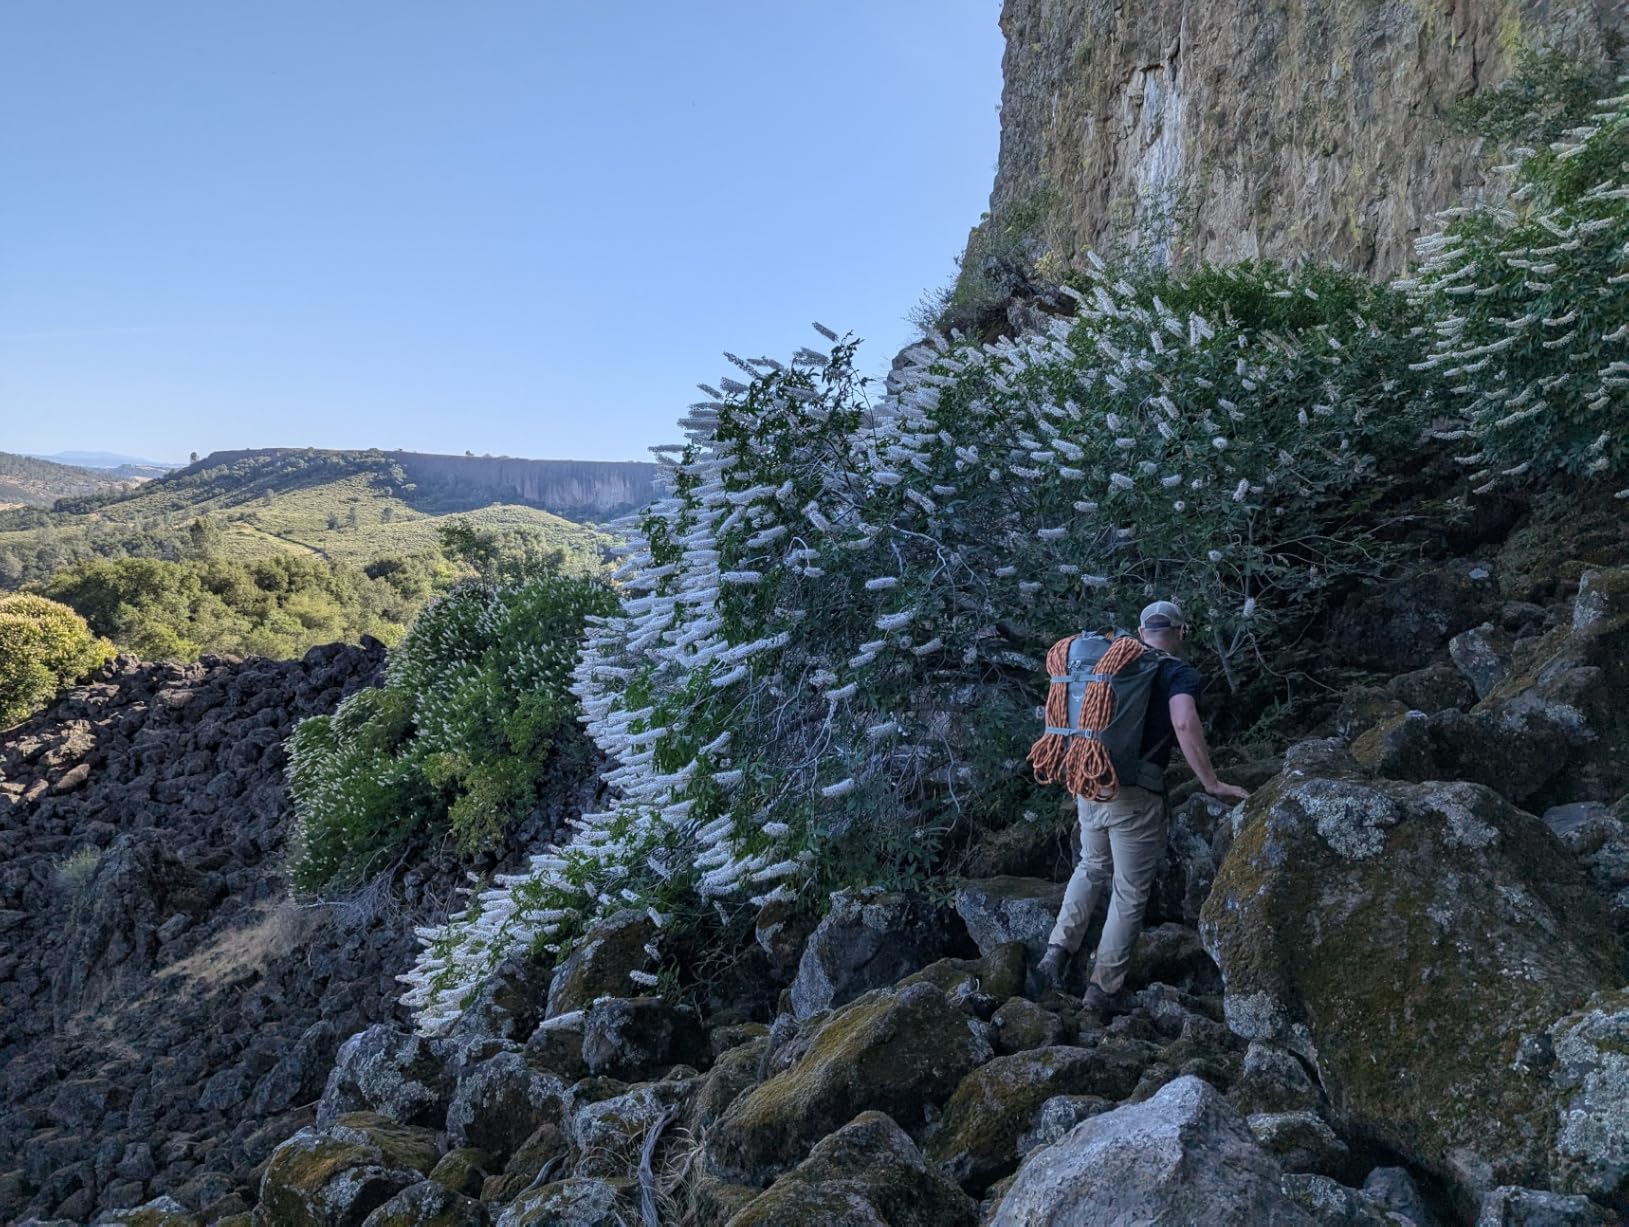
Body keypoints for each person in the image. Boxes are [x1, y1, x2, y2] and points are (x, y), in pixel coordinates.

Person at [1036, 600, 1249, 1013]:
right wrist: (1212, 782)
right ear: (1181, 632)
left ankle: (1055, 954)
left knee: (1091, 866)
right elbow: (1184, 721)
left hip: (1089, 781)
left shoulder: (1112, 663)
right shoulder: (1175, 671)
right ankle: (1103, 991)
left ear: (1140, 629)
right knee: (1129, 891)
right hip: (1136, 793)